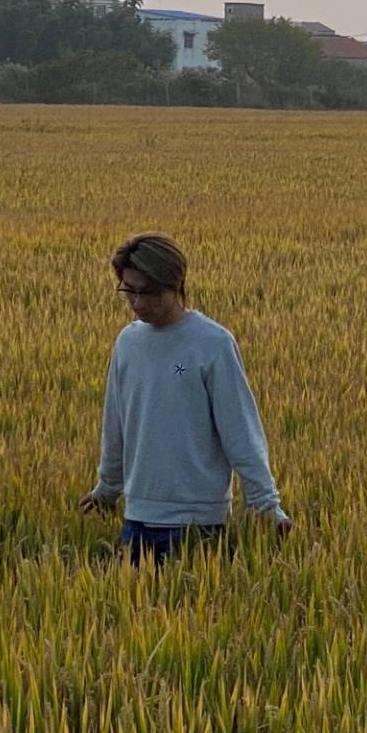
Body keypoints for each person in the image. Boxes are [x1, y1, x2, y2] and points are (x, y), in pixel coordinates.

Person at [77, 233, 295, 564]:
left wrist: (267, 507)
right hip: (137, 519)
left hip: (198, 524)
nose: (136, 302)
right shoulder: (127, 344)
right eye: (128, 290)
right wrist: (107, 490)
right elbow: (116, 425)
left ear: (174, 284)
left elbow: (240, 432)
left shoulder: (212, 343)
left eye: (146, 292)